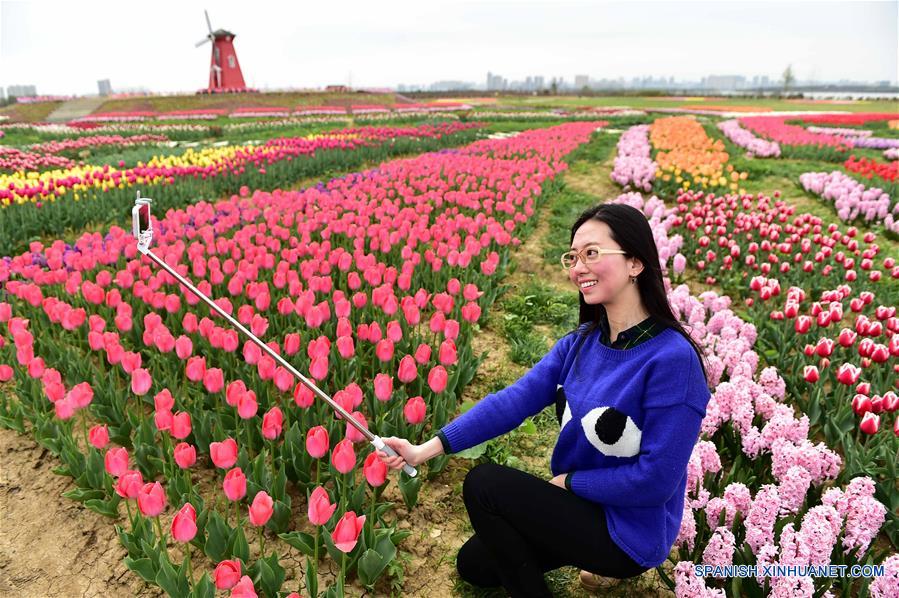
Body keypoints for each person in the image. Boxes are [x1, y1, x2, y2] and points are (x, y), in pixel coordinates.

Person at [377, 203, 711, 597]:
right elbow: (513, 401)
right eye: (573, 256)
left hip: (629, 530)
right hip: (582, 507)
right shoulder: (580, 344)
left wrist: (570, 482)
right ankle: (582, 559)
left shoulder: (671, 360)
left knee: (485, 484)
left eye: (592, 253)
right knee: (476, 565)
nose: (578, 267)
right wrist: (423, 450)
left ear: (635, 263)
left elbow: (655, 482)